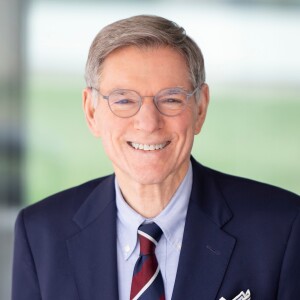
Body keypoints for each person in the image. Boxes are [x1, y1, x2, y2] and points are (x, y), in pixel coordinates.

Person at [12, 15, 300, 300]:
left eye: (171, 99)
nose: (148, 122)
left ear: (200, 108)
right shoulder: (40, 233)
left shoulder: (282, 226)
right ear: (91, 112)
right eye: (124, 100)